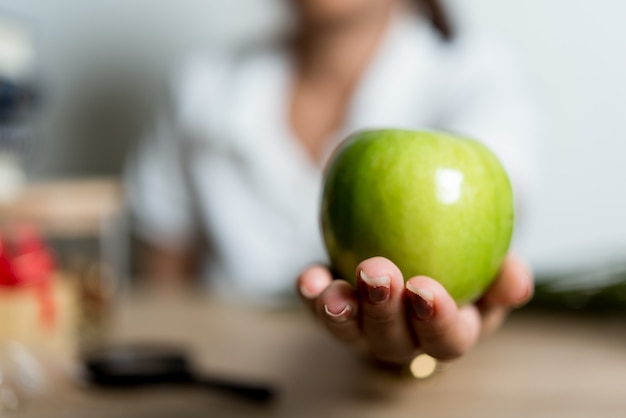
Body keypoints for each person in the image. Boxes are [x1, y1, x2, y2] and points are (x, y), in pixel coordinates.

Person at [126, 0, 536, 367]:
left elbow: (495, 213)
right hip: (225, 373)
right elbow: (163, 286)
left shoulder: (475, 76)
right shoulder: (201, 85)